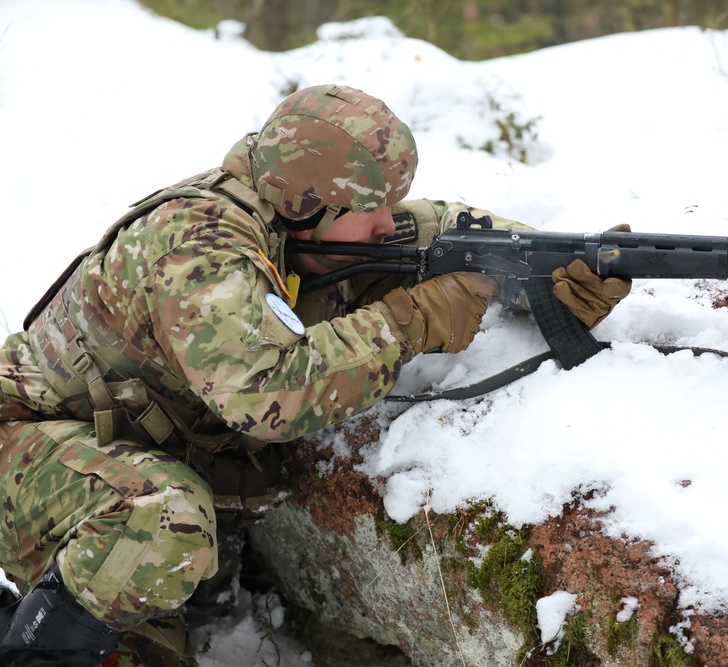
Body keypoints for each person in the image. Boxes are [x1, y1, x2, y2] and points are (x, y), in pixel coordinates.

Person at [0, 84, 630, 667]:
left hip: (118, 460)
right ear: (307, 201)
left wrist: (554, 275)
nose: (387, 224)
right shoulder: (197, 246)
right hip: (34, 452)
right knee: (164, 519)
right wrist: (410, 320)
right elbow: (268, 394)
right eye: (369, 209)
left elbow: (457, 234)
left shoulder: (306, 225)